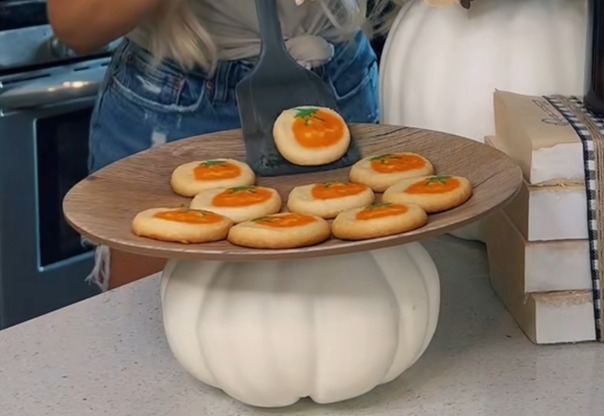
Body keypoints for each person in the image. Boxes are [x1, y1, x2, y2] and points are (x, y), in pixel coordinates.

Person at [46, 0, 411, 291]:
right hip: (182, 100)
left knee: (354, 303)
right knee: (162, 334)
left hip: (340, 79)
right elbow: (77, 21)